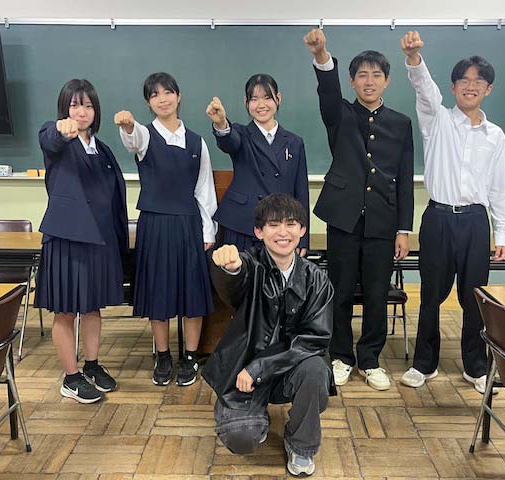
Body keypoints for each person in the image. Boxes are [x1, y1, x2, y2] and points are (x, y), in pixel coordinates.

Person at [399, 31, 505, 394]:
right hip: (439, 219)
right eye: (464, 80)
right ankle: (424, 363)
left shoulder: (495, 136)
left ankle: (475, 366)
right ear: (453, 87)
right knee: (431, 294)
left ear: (488, 89)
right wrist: (414, 59)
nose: (470, 86)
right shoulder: (438, 120)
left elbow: (499, 187)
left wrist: (502, 231)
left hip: (476, 222)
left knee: (474, 298)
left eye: (478, 81)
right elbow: (424, 88)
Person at [303, 28, 414, 390]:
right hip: (344, 218)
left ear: (386, 81)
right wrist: (321, 55)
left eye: (376, 75)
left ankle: (370, 359)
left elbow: (405, 177)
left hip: (383, 220)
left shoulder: (400, 123)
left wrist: (404, 229)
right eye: (362, 75)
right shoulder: (340, 114)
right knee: (340, 291)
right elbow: (327, 91)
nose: (369, 81)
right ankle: (340, 356)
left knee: (377, 294)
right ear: (351, 81)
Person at [203, 193, 334, 477]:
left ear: (302, 230)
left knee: (316, 371)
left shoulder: (317, 279)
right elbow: (234, 283)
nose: (283, 232)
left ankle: (301, 444)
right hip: (244, 371)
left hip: (284, 369)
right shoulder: (250, 265)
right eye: (273, 225)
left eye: (291, 224)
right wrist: (229, 267)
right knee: (241, 436)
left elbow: (315, 338)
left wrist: (259, 367)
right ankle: (252, 415)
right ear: (259, 232)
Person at [115, 72, 218, 387]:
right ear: (149, 102)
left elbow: (204, 190)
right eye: (154, 94)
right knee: (158, 293)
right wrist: (127, 125)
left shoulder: (197, 142)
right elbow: (133, 139)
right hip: (155, 225)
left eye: (168, 92)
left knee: (192, 295)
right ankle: (163, 355)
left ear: (178, 96)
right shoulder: (145, 135)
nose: (162, 99)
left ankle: (190, 356)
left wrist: (208, 233)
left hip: (189, 224)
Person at [35, 79, 128, 404]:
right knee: (65, 311)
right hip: (67, 239)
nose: (82, 112)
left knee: (92, 308)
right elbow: (50, 138)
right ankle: (71, 377)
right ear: (65, 109)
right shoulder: (56, 137)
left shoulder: (102, 150)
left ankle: (92, 365)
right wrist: (62, 130)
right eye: (75, 105)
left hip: (99, 241)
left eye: (88, 105)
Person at [206, 74, 309, 254]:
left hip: (279, 227)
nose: (261, 105)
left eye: (267, 98)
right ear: (246, 102)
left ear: (278, 98)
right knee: (238, 270)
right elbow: (229, 141)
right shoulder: (240, 133)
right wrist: (221, 123)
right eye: (254, 99)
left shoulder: (294, 142)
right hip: (241, 224)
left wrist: (303, 237)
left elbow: (301, 191)